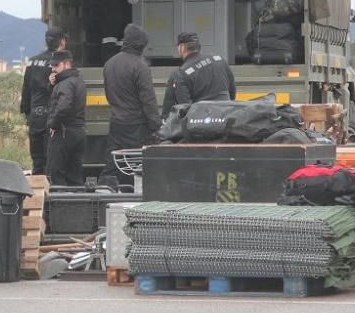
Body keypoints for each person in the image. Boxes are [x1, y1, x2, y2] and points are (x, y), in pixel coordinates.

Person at [98, 24, 160, 189]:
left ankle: (104, 194)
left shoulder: (109, 64)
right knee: (137, 166)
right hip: (137, 126)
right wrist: (156, 126)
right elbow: (148, 100)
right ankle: (135, 198)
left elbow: (108, 93)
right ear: (141, 45)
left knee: (112, 164)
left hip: (116, 122)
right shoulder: (140, 67)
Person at [20, 28, 66, 175]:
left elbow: (26, 88)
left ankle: (39, 190)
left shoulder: (33, 62)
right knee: (52, 159)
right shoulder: (60, 63)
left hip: (36, 116)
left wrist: (27, 112)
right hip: (53, 116)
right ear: (62, 42)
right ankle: (53, 191)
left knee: (38, 160)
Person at [160, 32, 237, 119]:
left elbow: (185, 106)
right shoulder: (219, 60)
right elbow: (232, 91)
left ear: (181, 48)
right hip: (225, 116)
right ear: (198, 46)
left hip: (202, 125)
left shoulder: (180, 74)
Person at [46, 50, 87, 186]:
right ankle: (79, 204)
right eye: (52, 66)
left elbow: (63, 107)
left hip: (63, 132)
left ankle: (60, 206)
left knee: (57, 174)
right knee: (75, 175)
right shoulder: (79, 80)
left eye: (56, 65)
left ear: (67, 64)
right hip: (78, 131)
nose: (53, 69)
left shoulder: (65, 84)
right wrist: (53, 85)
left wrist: (53, 124)